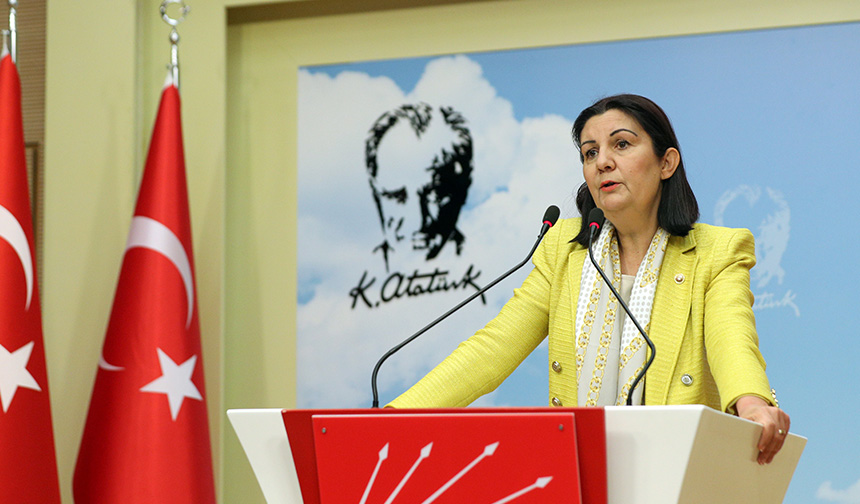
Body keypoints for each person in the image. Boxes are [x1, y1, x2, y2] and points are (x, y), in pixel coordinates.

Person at [387, 94, 790, 464]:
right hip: (580, 471)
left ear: (667, 163)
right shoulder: (565, 249)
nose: (602, 163)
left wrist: (752, 403)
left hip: (676, 469)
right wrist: (392, 417)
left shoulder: (716, 251)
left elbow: (731, 339)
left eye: (622, 144)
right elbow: (494, 349)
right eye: (590, 152)